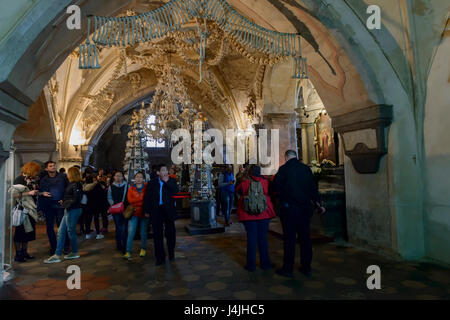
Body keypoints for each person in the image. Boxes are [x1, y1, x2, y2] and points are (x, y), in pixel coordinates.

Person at [272, 150, 326, 278]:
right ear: (296, 156)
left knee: (289, 240)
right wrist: (319, 204)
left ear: (286, 157)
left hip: (289, 210)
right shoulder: (306, 169)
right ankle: (306, 267)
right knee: (305, 239)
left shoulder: (284, 169)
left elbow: (276, 188)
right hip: (305, 209)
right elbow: (314, 188)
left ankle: (288, 269)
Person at [236, 165, 276, 271]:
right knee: (263, 239)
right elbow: (272, 194)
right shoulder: (266, 182)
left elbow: (238, 193)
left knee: (251, 239)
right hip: (264, 214)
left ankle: (251, 265)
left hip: (248, 215)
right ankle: (265, 264)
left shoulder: (244, 183)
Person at [44, 166, 84, 263]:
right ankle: (58, 254)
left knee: (70, 231)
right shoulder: (73, 184)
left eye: (68, 173)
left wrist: (65, 202)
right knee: (61, 232)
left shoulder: (76, 184)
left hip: (73, 210)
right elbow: (71, 197)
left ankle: (73, 252)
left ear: (72, 174)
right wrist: (65, 201)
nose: (66, 174)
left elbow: (76, 198)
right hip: (69, 209)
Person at [144, 164, 179, 266]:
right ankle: (160, 257)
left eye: (166, 170)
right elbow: (147, 198)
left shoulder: (171, 181)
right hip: (156, 210)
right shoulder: (152, 183)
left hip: (168, 210)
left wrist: (166, 181)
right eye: (163, 170)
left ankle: (171, 252)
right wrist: (147, 210)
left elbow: (175, 191)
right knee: (157, 234)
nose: (165, 172)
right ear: (158, 172)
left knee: (171, 233)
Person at [10, 162, 41, 262]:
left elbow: (33, 194)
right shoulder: (19, 179)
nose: (37, 173)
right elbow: (13, 195)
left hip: (30, 209)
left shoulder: (32, 180)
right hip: (22, 209)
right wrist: (29, 193)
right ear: (31, 170)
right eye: (36, 171)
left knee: (28, 231)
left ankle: (24, 252)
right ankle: (18, 255)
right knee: (20, 233)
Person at [38, 161, 70, 255]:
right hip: (48, 206)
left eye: (54, 165)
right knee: (49, 228)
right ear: (46, 169)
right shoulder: (44, 180)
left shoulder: (62, 177)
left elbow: (68, 189)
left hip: (60, 205)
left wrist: (64, 199)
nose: (53, 167)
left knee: (62, 226)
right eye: (50, 166)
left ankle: (65, 246)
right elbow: (40, 192)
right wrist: (42, 195)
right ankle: (53, 247)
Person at [123, 172, 148, 260]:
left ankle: (143, 249)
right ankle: (128, 251)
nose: (139, 179)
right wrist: (141, 200)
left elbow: (147, 198)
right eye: (137, 177)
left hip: (144, 213)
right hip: (133, 213)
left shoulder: (146, 187)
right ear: (134, 178)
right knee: (131, 232)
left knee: (143, 232)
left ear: (143, 179)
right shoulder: (131, 189)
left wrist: (138, 201)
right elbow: (130, 200)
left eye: (141, 177)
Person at [107, 171, 128, 253]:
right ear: (114, 177)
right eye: (116, 176)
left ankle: (125, 246)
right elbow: (109, 197)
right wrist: (114, 204)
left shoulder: (126, 186)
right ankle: (119, 244)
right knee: (118, 227)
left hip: (125, 209)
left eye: (120, 176)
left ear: (123, 177)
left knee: (124, 228)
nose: (118, 177)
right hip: (116, 209)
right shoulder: (111, 187)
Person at [83, 175, 106, 240]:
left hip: (87, 205)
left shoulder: (84, 186)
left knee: (88, 220)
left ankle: (87, 234)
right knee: (96, 219)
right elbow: (102, 194)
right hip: (96, 205)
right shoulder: (96, 185)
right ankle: (98, 233)